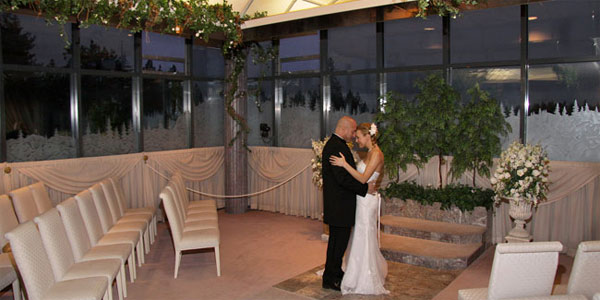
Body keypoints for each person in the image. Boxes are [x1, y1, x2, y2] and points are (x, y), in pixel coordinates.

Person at [329, 122, 390, 295]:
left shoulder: (377, 154)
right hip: (362, 198)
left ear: (367, 136)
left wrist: (344, 164)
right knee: (358, 235)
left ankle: (365, 275)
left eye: (358, 137)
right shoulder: (370, 152)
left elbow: (363, 180)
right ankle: (355, 270)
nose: (356, 140)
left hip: (367, 201)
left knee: (364, 235)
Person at [321, 116, 376, 291]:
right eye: (353, 131)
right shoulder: (335, 147)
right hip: (339, 205)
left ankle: (334, 273)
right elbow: (342, 179)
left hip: (340, 204)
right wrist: (364, 188)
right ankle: (330, 278)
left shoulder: (337, 145)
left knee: (338, 243)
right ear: (344, 129)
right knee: (338, 244)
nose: (354, 135)